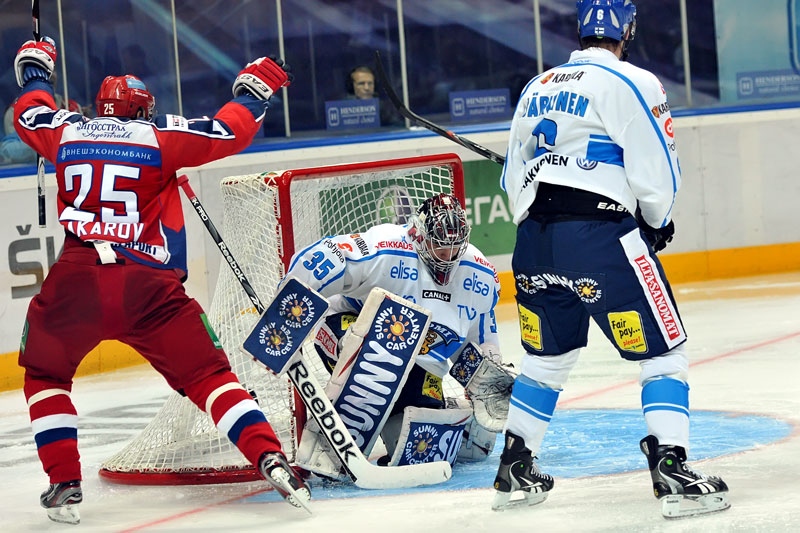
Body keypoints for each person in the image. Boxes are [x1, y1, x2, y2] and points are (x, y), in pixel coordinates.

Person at [12, 37, 310, 523]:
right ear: (140, 109)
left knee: (46, 375)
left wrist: (36, 71)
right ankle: (268, 456)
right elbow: (229, 130)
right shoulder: (157, 137)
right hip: (149, 286)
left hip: (76, 281)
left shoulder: (66, 130)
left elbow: (29, 113)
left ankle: (64, 482)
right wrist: (255, 88)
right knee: (210, 378)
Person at [493, 0, 729, 518]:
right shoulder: (634, 81)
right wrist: (656, 219)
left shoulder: (537, 86)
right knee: (663, 355)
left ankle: (515, 464)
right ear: (628, 30)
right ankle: (671, 465)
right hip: (600, 241)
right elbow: (656, 164)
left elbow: (513, 180)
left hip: (533, 244)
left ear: (580, 30)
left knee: (545, 360)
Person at [283, 193, 508, 473]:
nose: (447, 256)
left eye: (454, 247)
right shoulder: (387, 246)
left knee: (424, 453)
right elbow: (324, 255)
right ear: (420, 235)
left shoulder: (479, 275)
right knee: (380, 354)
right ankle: (332, 446)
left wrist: (489, 380)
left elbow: (479, 341)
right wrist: (287, 309)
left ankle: (427, 412)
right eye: (439, 246)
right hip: (348, 331)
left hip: (418, 362)